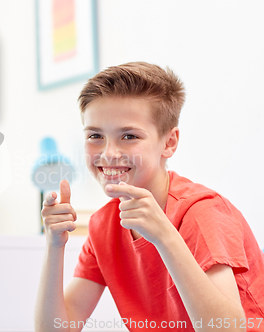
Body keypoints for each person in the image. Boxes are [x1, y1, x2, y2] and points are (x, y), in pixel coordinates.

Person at [35, 62, 264, 332]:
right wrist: (54, 245)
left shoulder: (202, 213)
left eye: (129, 136)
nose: (108, 153)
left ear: (169, 143)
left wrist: (165, 236)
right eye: (95, 135)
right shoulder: (104, 225)